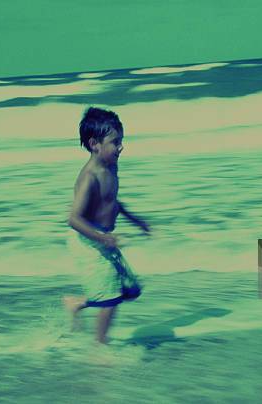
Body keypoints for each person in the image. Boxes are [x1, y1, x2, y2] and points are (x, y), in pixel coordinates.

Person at [63, 106, 150, 344]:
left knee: (130, 290)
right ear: (95, 144)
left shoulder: (111, 166)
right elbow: (74, 219)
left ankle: (77, 303)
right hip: (86, 241)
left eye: (121, 140)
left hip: (102, 237)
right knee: (111, 298)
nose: (121, 147)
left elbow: (110, 200)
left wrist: (135, 219)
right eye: (115, 142)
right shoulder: (89, 177)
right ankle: (99, 346)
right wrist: (102, 238)